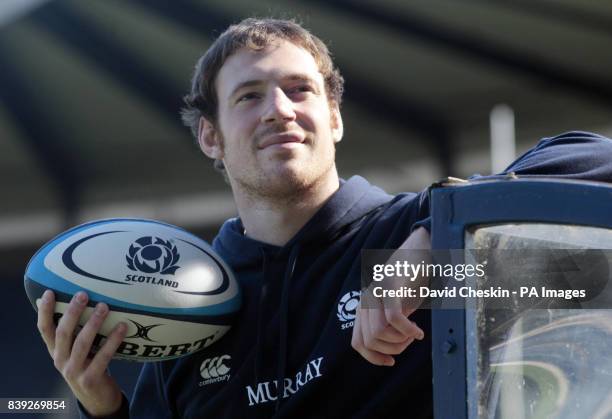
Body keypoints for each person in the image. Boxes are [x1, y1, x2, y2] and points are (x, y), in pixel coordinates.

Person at [35, 17, 612, 419]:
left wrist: (437, 235)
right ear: (210, 136)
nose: (280, 111)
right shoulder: (189, 310)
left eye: (299, 90)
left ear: (333, 117)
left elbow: (593, 158)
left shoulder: (420, 238)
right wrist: (103, 406)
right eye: (249, 96)